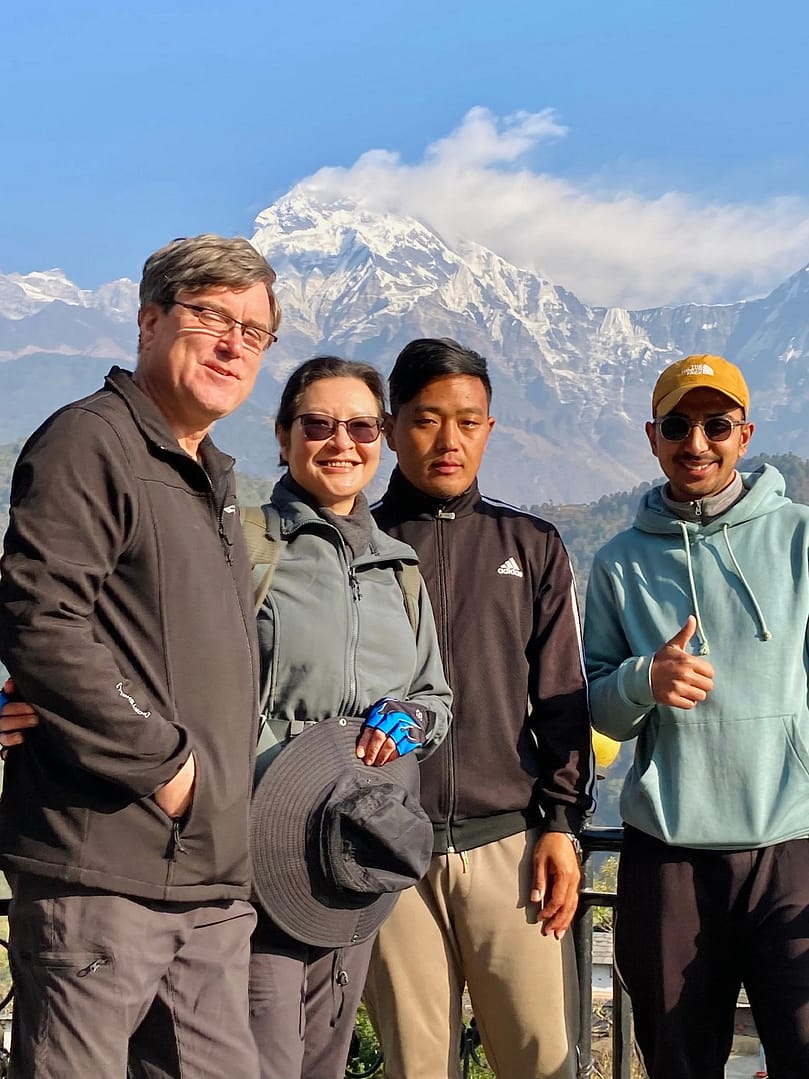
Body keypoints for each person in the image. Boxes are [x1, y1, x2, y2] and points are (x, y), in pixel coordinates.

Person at [0, 234, 281, 1078]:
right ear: (149, 320)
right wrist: (169, 767)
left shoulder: (210, 473)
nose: (235, 343)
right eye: (211, 316)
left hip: (206, 880)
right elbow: (39, 617)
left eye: (255, 331)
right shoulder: (90, 440)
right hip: (105, 866)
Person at [363, 338, 595, 1079]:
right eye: (428, 420)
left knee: (541, 1060)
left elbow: (562, 701)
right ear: (393, 424)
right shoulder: (355, 545)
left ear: (489, 429)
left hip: (511, 846)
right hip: (388, 847)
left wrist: (561, 824)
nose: (448, 440)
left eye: (468, 421)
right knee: (416, 1067)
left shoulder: (529, 545)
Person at [585, 354, 809, 1079]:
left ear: (744, 434)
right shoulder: (618, 562)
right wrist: (641, 679)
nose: (696, 442)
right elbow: (594, 709)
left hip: (792, 845)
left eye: (716, 424)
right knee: (678, 1063)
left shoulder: (799, 539)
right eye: (678, 425)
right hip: (668, 853)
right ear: (652, 436)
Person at [245, 355, 452, 1079]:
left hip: (356, 853)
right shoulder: (246, 547)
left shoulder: (399, 568)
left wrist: (408, 719)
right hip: (259, 845)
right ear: (282, 436)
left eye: (361, 426)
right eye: (318, 424)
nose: (342, 442)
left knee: (323, 1060)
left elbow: (436, 699)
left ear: (383, 437)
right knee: (260, 1055)